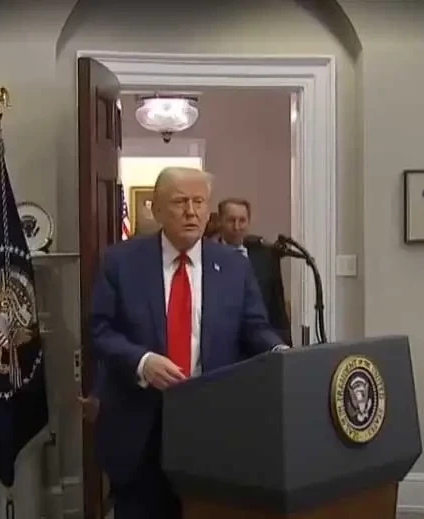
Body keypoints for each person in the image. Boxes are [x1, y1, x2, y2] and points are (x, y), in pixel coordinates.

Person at [89, 167, 288, 519]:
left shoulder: (233, 266)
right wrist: (142, 362)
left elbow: (254, 326)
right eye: (180, 202)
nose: (191, 212)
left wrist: (278, 351)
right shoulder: (121, 262)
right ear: (157, 209)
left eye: (199, 202)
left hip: (211, 426)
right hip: (140, 426)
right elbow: (99, 330)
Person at [218, 198, 292, 345]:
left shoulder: (265, 256)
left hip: (261, 342)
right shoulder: (208, 256)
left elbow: (277, 307)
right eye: (231, 220)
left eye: (242, 221)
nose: (237, 227)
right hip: (223, 344)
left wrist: (284, 345)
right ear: (220, 221)